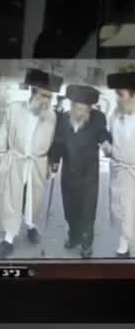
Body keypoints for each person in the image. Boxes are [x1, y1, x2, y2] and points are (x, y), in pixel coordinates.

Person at [0, 68, 63, 259]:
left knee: (33, 199)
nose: (47, 100)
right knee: (12, 200)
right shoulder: (15, 109)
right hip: (15, 162)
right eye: (44, 95)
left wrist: (52, 164)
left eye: (50, 96)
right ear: (33, 92)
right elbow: (3, 134)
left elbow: (54, 141)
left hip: (38, 164)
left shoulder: (52, 116)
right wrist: (1, 158)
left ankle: (31, 225)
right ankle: (8, 239)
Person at [49, 84, 109, 258]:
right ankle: (74, 236)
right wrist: (54, 163)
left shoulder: (98, 118)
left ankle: (86, 243)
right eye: (77, 108)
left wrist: (106, 142)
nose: (80, 112)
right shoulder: (63, 118)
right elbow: (58, 142)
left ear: (89, 108)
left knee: (87, 210)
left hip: (89, 175)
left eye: (83, 109)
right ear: (72, 105)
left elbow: (103, 133)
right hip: (68, 173)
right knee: (70, 209)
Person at [103, 72, 135, 259]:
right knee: (122, 208)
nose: (117, 99)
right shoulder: (115, 115)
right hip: (120, 170)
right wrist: (107, 148)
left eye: (120, 94)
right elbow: (109, 139)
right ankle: (124, 245)